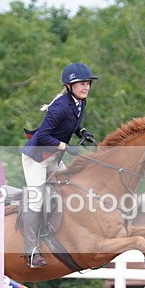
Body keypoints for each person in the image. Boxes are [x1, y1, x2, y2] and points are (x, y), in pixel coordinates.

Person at [20, 62, 98, 268]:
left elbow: (70, 123)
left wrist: (81, 132)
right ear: (69, 86)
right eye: (81, 84)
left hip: (52, 156)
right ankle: (31, 250)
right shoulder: (59, 106)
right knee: (36, 199)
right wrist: (66, 147)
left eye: (88, 84)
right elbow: (44, 135)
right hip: (37, 156)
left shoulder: (80, 102)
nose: (86, 88)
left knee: (71, 186)